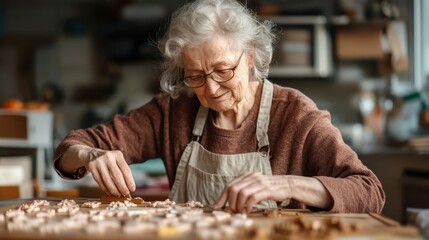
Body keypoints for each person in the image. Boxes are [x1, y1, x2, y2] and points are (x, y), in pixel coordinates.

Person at [54, 0, 385, 214]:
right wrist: (88, 155)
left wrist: (286, 184)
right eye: (195, 75)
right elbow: (70, 147)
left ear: (251, 55)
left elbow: (369, 191)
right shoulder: (173, 111)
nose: (210, 89)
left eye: (223, 71)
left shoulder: (295, 115)